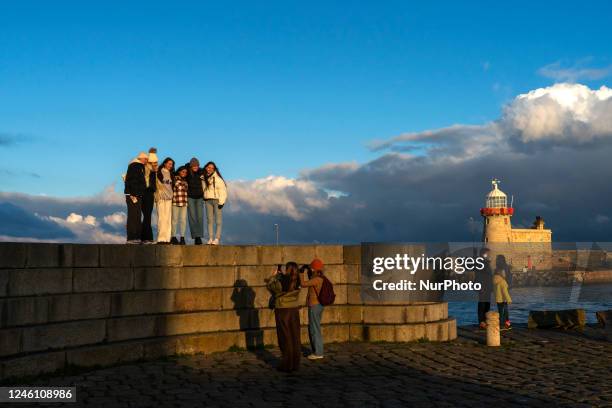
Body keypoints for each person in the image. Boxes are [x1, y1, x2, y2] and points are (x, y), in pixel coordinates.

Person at [266, 262, 302, 372]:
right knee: (295, 336)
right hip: (294, 310)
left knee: (284, 337)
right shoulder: (297, 279)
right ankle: (295, 363)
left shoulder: (283, 279)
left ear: (287, 269)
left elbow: (272, 287)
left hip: (283, 310)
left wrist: (274, 276)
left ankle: (287, 364)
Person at [299, 258, 325, 360]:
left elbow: (303, 284)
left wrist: (301, 272)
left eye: (311, 268)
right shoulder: (320, 278)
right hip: (318, 305)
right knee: (314, 328)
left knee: (314, 329)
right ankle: (316, 351)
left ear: (314, 269)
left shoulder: (317, 279)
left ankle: (318, 353)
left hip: (314, 305)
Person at [123, 152, 147, 244]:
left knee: (137, 216)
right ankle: (131, 238)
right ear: (141, 158)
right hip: (133, 195)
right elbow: (131, 180)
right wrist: (133, 193)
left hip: (137, 194)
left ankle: (136, 237)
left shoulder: (138, 166)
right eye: (145, 159)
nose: (146, 161)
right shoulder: (135, 166)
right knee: (133, 216)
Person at [202, 161, 227, 245]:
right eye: (208, 167)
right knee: (209, 220)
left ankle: (217, 238)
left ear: (214, 169)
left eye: (212, 168)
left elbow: (223, 191)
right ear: (206, 167)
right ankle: (210, 238)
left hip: (217, 200)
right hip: (207, 200)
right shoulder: (203, 178)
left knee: (218, 221)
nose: (210, 169)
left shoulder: (218, 179)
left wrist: (221, 202)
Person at [140, 148, 158, 244]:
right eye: (153, 163)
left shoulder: (154, 172)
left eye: (156, 163)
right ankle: (146, 238)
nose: (155, 165)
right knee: (146, 215)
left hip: (150, 193)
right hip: (144, 193)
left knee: (148, 216)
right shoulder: (144, 169)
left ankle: (146, 237)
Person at [155, 157, 174, 244]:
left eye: (172, 164)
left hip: (169, 198)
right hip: (161, 198)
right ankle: (161, 238)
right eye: (169, 163)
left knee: (168, 218)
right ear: (165, 163)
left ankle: (167, 238)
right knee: (161, 218)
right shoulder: (159, 172)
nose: (170, 165)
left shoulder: (171, 174)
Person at [185, 157, 204, 245]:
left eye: (197, 165)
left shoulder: (201, 172)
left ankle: (199, 236)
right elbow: (180, 171)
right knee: (192, 217)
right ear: (191, 166)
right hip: (190, 197)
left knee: (200, 217)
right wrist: (188, 166)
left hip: (200, 197)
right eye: (194, 166)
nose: (195, 167)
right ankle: (196, 237)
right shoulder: (188, 172)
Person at [475, 247, 493, 329]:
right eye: (488, 254)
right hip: (482, 287)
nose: (489, 255)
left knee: (487, 304)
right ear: (483, 254)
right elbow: (478, 276)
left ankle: (485, 320)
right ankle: (481, 322)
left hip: (487, 287)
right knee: (482, 304)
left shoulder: (486, 263)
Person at [171, 166, 189, 245]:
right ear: (179, 172)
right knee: (174, 220)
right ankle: (173, 237)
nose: (184, 173)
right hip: (176, 202)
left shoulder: (185, 180)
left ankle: (182, 237)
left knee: (183, 221)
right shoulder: (175, 178)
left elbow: (185, 187)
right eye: (183, 172)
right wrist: (184, 185)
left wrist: (184, 185)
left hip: (184, 203)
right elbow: (180, 186)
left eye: (185, 172)